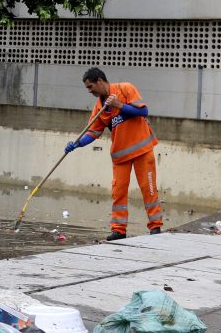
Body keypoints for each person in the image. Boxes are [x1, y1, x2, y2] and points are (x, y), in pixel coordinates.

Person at [64, 68, 163, 241]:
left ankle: (155, 227)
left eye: (90, 86)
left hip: (142, 150)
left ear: (100, 81)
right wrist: (78, 143)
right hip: (120, 155)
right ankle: (119, 230)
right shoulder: (99, 107)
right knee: (118, 192)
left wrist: (119, 105)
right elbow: (93, 132)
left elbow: (143, 111)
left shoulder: (125, 89)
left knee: (149, 189)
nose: (89, 91)